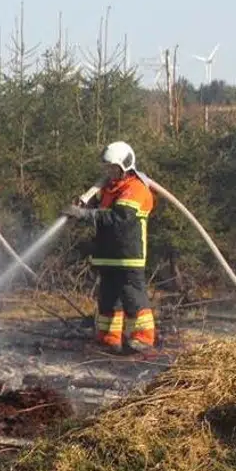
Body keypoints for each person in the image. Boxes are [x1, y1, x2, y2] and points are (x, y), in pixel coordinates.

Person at [63, 140, 156, 353]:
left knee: (132, 297)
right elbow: (99, 210)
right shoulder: (109, 189)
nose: (110, 172)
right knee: (108, 299)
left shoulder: (136, 188)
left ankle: (142, 338)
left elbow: (119, 218)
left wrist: (85, 215)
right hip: (108, 256)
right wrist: (83, 205)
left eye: (113, 168)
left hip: (128, 256)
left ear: (125, 165)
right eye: (107, 168)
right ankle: (108, 337)